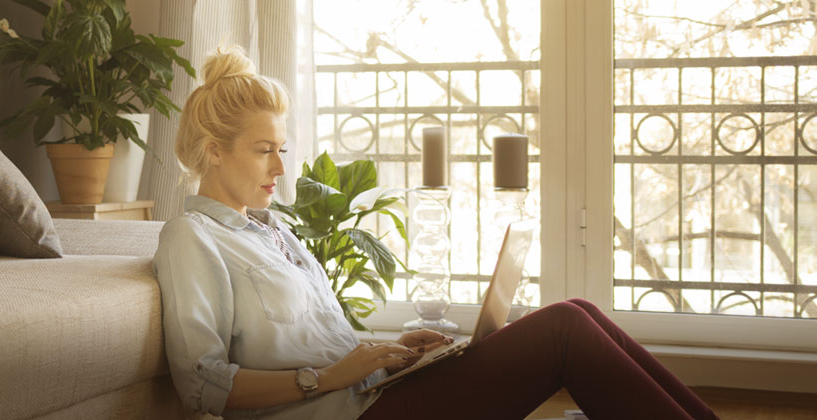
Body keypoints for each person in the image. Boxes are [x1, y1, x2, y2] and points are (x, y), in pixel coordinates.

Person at [152, 47, 721, 420]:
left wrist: (391, 348)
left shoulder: (276, 234)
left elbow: (320, 339)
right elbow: (202, 387)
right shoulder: (192, 239)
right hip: (354, 417)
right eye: (264, 151)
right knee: (565, 329)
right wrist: (327, 377)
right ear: (213, 152)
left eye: (283, 149)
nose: (281, 168)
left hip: (375, 394)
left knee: (578, 308)